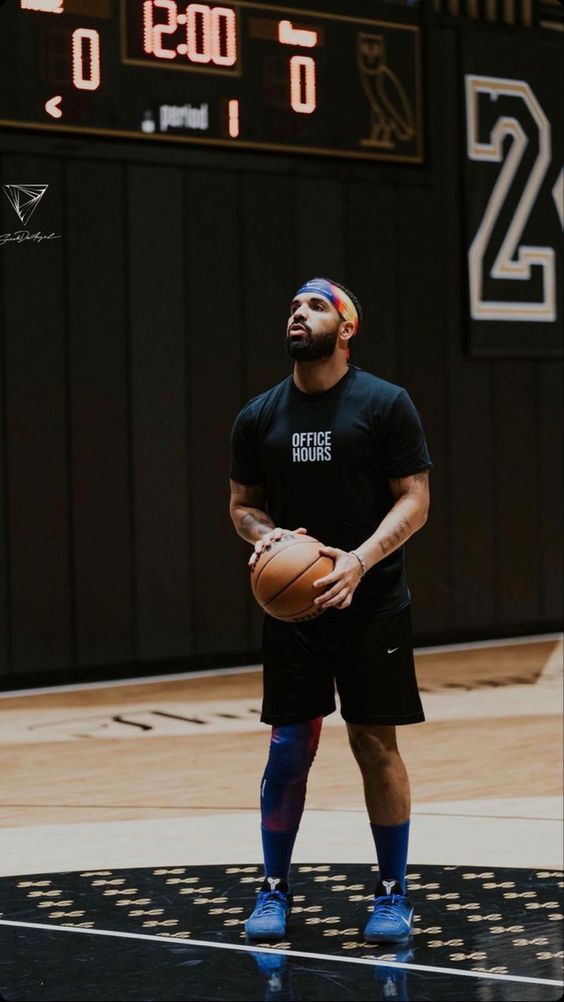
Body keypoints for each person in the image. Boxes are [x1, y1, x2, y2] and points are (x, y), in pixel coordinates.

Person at [229, 277, 432, 944]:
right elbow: (242, 507)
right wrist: (270, 538)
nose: (299, 312)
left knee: (375, 745)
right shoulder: (258, 416)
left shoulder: (384, 405)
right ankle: (273, 889)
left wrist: (360, 559)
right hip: (296, 615)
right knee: (289, 747)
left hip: (372, 604)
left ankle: (393, 893)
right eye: (292, 304)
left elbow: (414, 498)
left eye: (316, 305)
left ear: (347, 328)